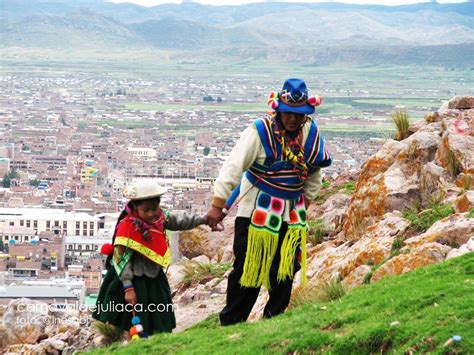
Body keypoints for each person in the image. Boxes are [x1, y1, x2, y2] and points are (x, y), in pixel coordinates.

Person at [206, 78, 332, 325]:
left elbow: (315, 170)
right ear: (278, 110)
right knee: (247, 269)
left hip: (292, 213)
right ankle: (231, 323)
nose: (293, 120)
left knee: (284, 270)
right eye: (288, 114)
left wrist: (306, 201)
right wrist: (217, 202)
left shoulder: (310, 133)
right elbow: (234, 167)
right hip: (255, 210)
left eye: (299, 115)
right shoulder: (258, 132)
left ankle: (273, 322)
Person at [93, 180, 209, 336]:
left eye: (154, 209)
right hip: (131, 279)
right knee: (131, 319)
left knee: (157, 316)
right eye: (145, 210)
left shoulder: (160, 218)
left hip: (153, 276)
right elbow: (121, 260)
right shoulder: (126, 227)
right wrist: (128, 288)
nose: (150, 214)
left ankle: (154, 343)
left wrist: (204, 219)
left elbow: (180, 220)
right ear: (135, 207)